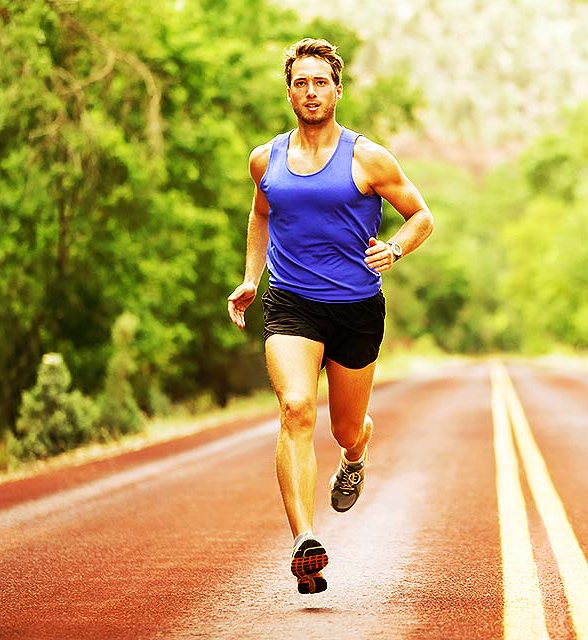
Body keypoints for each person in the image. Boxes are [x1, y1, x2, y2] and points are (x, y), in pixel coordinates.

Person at [226, 37, 433, 595]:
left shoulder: (368, 157)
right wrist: (251, 277)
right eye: (301, 82)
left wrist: (395, 249)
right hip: (291, 304)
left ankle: (356, 452)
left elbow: (421, 216)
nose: (310, 91)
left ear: (337, 90)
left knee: (344, 425)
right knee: (296, 409)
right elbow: (260, 212)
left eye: (321, 82)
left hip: (357, 309)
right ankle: (305, 540)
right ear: (289, 91)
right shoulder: (265, 159)